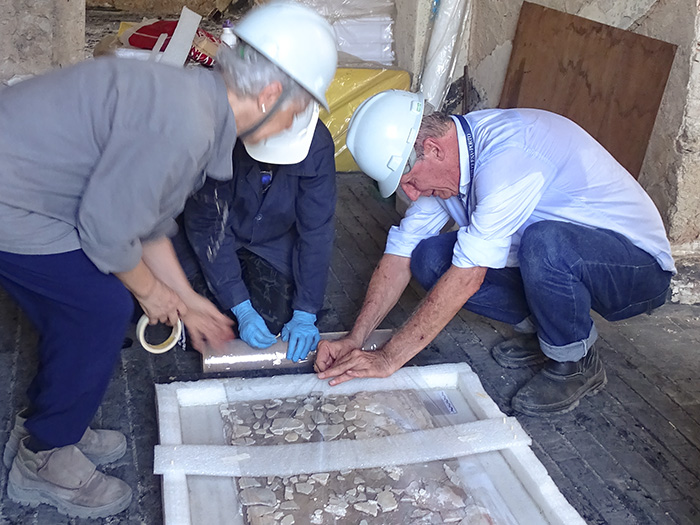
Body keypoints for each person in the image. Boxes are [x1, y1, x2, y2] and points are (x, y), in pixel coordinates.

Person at [0, 1, 337, 518]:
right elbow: (110, 231)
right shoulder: (187, 125)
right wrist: (153, 293)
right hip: (14, 201)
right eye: (296, 110)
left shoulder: (196, 103)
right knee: (101, 308)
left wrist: (188, 298)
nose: (292, 124)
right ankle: (43, 455)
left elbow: (149, 222)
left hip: (33, 187)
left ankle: (54, 419)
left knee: (82, 309)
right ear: (270, 94)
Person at [315, 89, 675, 418]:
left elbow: (468, 277)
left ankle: (576, 360)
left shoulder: (508, 157)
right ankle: (548, 332)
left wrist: (388, 358)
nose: (410, 193)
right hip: (568, 258)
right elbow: (401, 255)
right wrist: (355, 338)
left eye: (408, 179)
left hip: (637, 268)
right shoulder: (454, 162)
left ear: (434, 150)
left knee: (544, 244)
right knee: (430, 258)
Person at [175, 115, 336, 364]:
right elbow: (208, 225)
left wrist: (306, 311)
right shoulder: (219, 136)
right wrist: (241, 307)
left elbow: (316, 231)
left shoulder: (316, 143)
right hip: (208, 236)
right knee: (207, 324)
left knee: (277, 324)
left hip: (272, 238)